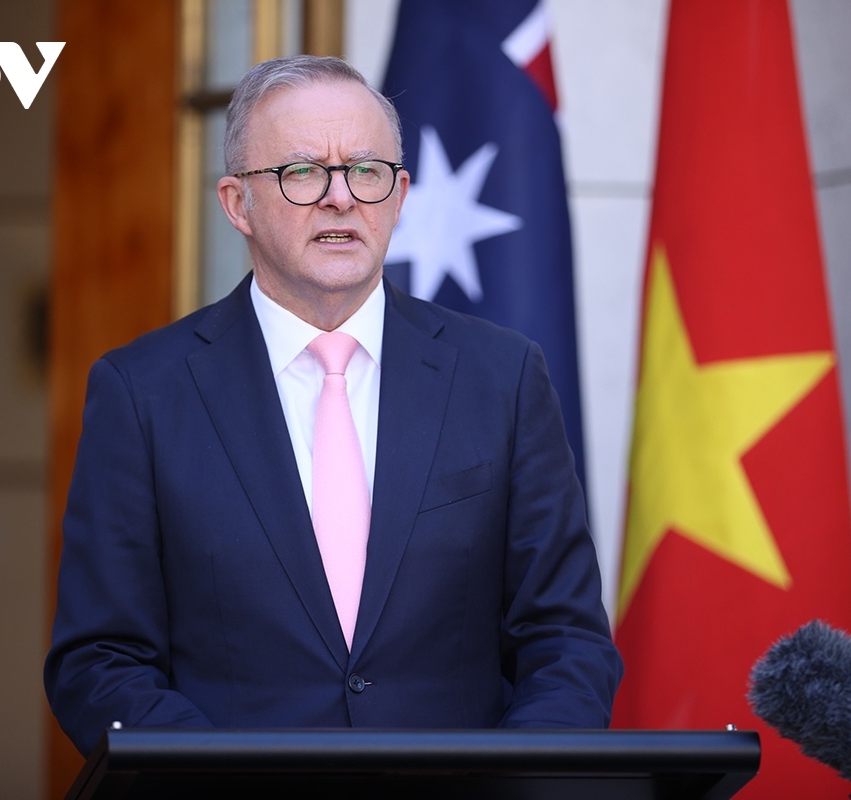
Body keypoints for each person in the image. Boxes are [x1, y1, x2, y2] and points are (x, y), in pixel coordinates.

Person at [44, 55, 623, 757]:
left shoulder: (501, 376)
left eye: (366, 171)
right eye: (301, 171)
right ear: (237, 203)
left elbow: (565, 639)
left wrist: (508, 786)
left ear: (401, 194)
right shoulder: (142, 392)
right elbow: (99, 661)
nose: (341, 197)